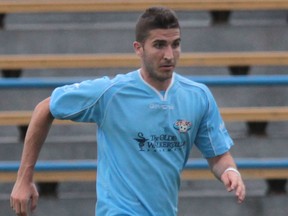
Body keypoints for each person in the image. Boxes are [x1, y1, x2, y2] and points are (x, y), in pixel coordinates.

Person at [10, 6, 245, 216]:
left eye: (175, 44)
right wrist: (24, 178)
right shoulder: (110, 92)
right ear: (138, 48)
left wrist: (230, 170)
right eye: (159, 45)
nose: (169, 55)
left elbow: (218, 156)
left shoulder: (197, 96)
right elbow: (44, 109)